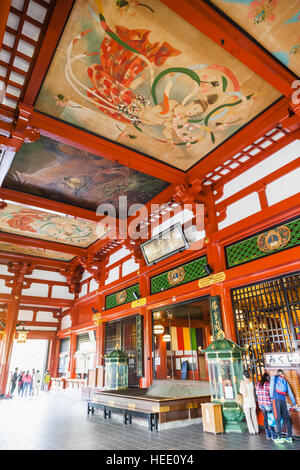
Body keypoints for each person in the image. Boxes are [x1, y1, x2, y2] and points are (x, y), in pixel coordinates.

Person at [270, 369, 297, 444]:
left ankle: (279, 438)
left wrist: (271, 399)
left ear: (277, 374)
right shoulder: (285, 381)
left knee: (277, 418)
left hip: (276, 400)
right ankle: (289, 437)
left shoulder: (273, 378)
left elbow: (271, 390)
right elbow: (290, 393)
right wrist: (294, 403)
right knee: (286, 418)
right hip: (283, 401)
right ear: (283, 375)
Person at [255, 372, 276, 440]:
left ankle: (268, 435)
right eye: (269, 378)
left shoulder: (258, 384)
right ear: (267, 378)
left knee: (265, 418)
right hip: (267, 403)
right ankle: (273, 435)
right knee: (270, 418)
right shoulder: (268, 384)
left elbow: (257, 394)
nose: (269, 379)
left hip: (261, 404)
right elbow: (271, 394)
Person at [239, 370, 259, 434]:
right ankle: (256, 429)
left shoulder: (242, 383)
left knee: (248, 417)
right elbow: (253, 392)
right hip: (252, 401)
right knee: (254, 416)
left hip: (247, 402)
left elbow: (243, 392)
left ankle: (252, 430)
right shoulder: (251, 383)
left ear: (244, 376)